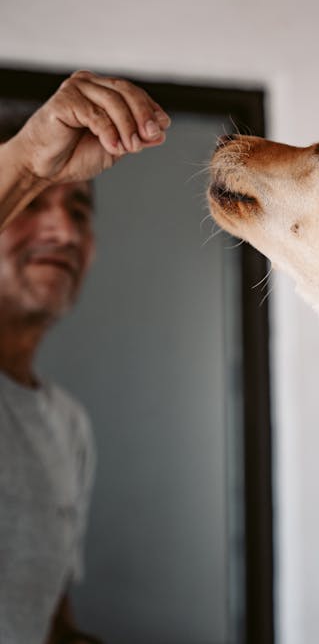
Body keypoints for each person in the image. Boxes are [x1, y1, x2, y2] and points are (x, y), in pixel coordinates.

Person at [0, 70, 171, 644]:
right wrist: (25, 162)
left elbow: (45, 622)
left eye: (79, 208)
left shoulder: (67, 426)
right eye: (33, 205)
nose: (64, 230)